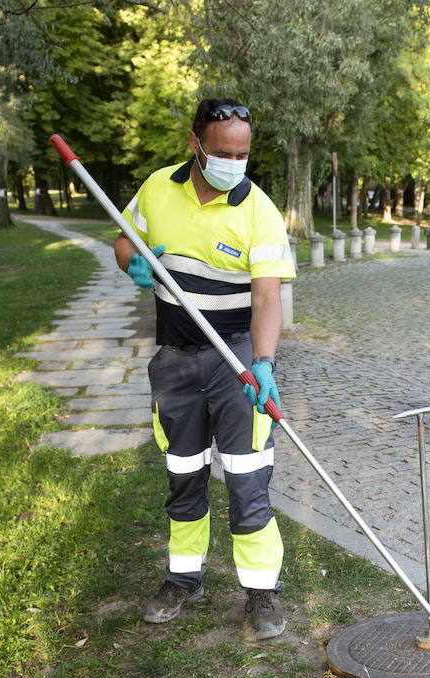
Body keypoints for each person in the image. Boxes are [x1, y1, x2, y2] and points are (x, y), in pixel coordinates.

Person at [113, 98, 295, 639]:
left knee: (247, 478)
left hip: (234, 357)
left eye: (242, 154)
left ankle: (262, 592)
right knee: (183, 472)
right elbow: (124, 240)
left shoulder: (259, 210)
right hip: (172, 360)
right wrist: (134, 264)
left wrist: (263, 363)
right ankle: (183, 578)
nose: (233, 163)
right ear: (195, 143)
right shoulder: (156, 188)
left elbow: (266, 296)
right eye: (222, 152)